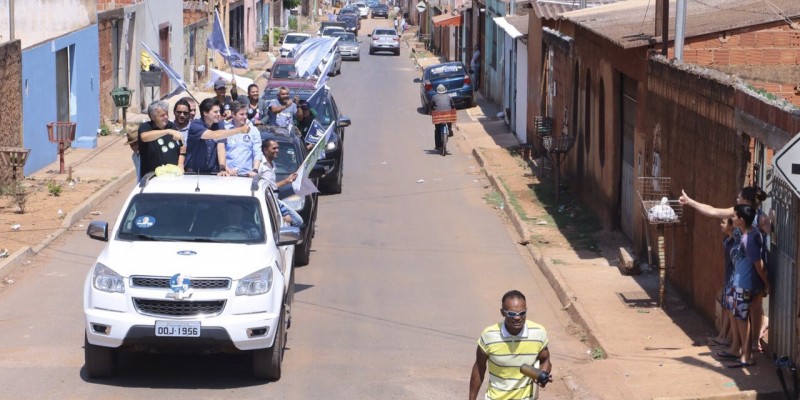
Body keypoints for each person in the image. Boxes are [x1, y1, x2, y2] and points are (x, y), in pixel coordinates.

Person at [680, 186, 771, 351]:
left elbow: (713, 211)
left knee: (750, 306)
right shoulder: (752, 216)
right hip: (743, 267)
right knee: (748, 307)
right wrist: (690, 202)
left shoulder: (755, 217)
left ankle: (750, 344)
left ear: (746, 200)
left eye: (739, 197)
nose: (736, 200)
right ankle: (743, 344)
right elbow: (712, 211)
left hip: (750, 268)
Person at [469, 290, 551, 400]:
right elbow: (479, 368)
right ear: (502, 313)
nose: (517, 317)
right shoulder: (489, 336)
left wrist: (543, 374)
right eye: (512, 314)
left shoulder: (538, 333)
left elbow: (545, 359)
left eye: (522, 313)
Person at [716, 204, 769, 368]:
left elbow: (759, 265)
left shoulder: (748, 238)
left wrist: (767, 284)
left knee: (742, 320)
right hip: (741, 284)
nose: (732, 218)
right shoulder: (749, 234)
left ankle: (747, 356)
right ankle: (743, 354)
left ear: (741, 220)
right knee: (740, 319)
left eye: (734, 216)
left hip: (744, 285)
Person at [184, 98, 250, 175]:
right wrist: (240, 130)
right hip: (193, 172)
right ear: (205, 113)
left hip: (212, 172)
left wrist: (222, 168)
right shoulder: (195, 125)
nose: (219, 114)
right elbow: (215, 135)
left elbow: (221, 148)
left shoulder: (219, 125)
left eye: (219, 111)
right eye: (215, 112)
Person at [258, 139, 304, 227]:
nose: (277, 150)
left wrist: (287, 180)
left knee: (298, 221)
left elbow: (272, 187)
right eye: (274, 148)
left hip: (275, 200)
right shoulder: (260, 166)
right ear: (265, 150)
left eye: (277, 148)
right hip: (268, 202)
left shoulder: (273, 164)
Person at [136, 100, 183, 180]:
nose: (166, 117)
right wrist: (167, 131)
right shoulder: (145, 127)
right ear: (153, 117)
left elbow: (182, 149)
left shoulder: (172, 126)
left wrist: (180, 165)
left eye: (167, 114)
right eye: (162, 115)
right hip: (152, 177)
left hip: (173, 176)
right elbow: (144, 137)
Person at [223, 102, 263, 177]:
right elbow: (220, 151)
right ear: (233, 114)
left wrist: (255, 170)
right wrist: (227, 169)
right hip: (228, 175)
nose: (245, 117)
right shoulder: (225, 129)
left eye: (246, 114)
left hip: (247, 175)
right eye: (241, 114)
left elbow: (257, 152)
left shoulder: (253, 130)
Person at [430, 84, 454, 152]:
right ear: (444, 90)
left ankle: (438, 146)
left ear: (438, 91)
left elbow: (431, 106)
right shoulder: (448, 96)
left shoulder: (434, 97)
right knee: (449, 120)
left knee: (437, 129)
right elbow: (453, 105)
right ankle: (449, 129)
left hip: (438, 116)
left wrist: (430, 111)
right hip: (448, 115)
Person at [173, 98, 194, 171]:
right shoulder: (168, 128)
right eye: (179, 112)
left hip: (190, 171)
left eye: (185, 113)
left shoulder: (194, 129)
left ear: (189, 114)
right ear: (174, 112)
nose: (182, 115)